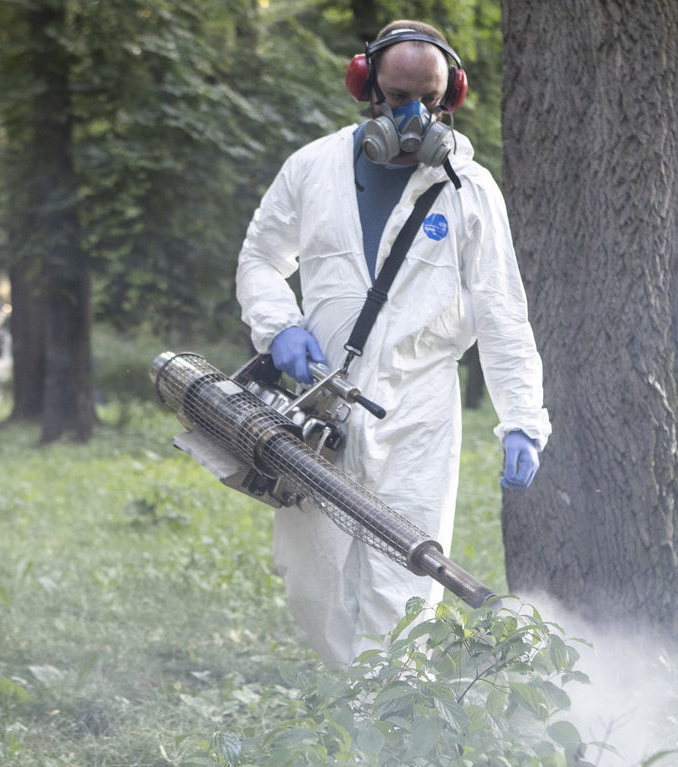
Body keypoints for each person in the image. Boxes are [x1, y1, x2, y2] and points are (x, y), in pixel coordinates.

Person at [236, 19, 551, 665]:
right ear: (366, 87)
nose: (412, 117)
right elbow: (261, 260)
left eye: (429, 100)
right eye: (397, 97)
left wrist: (522, 419)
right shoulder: (313, 168)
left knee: (404, 582)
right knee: (312, 582)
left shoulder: (469, 190)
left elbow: (502, 310)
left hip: (418, 412)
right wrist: (282, 327)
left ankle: (390, 721)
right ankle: (344, 692)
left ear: (451, 97)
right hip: (320, 409)